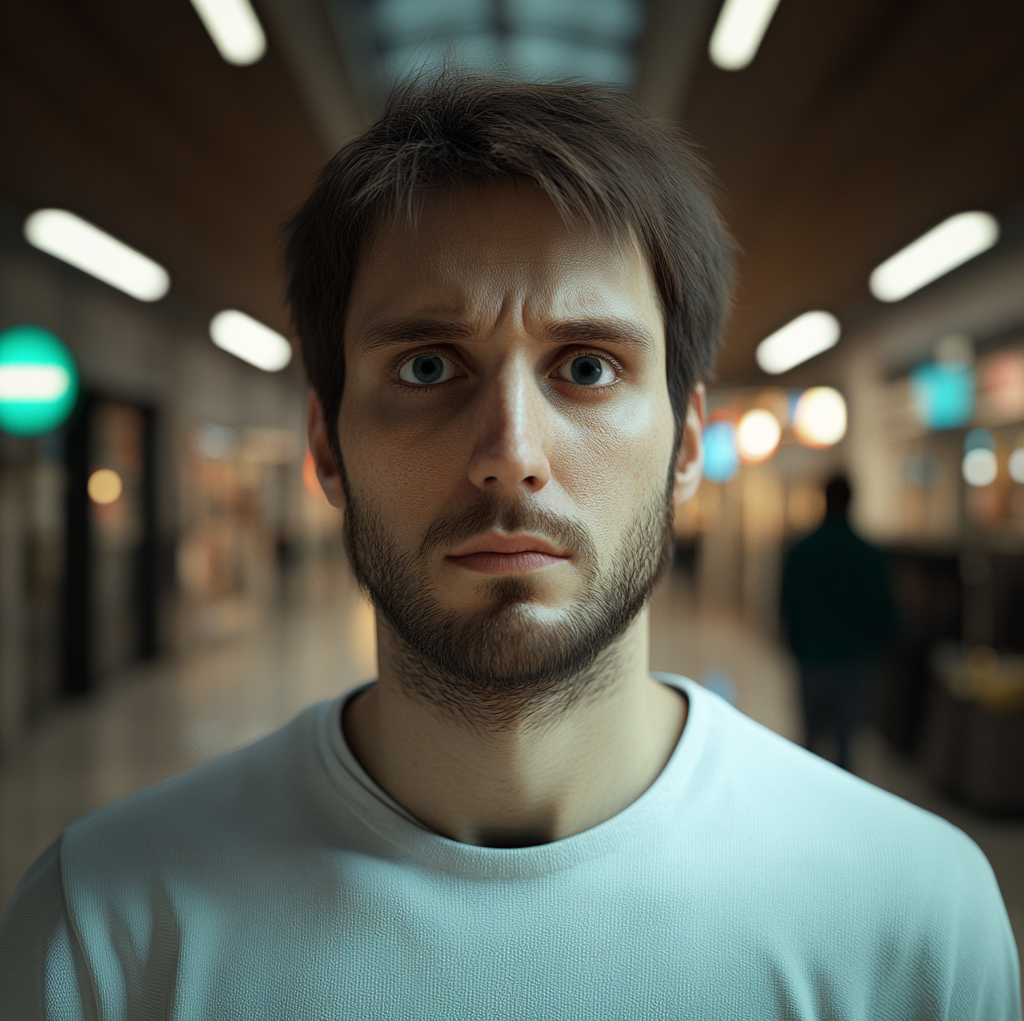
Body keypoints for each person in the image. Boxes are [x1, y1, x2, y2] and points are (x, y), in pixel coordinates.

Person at [1, 74, 1019, 1020]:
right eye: (429, 364)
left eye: (584, 366)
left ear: (685, 446)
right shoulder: (109, 926)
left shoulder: (912, 917)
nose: (510, 456)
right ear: (327, 446)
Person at [781, 475, 897, 771]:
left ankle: (809, 802)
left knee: (809, 741)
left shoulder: (801, 551)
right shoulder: (868, 554)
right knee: (846, 739)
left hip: (812, 655)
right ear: (851, 501)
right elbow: (882, 609)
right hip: (855, 660)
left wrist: (794, 646)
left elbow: (786, 605)